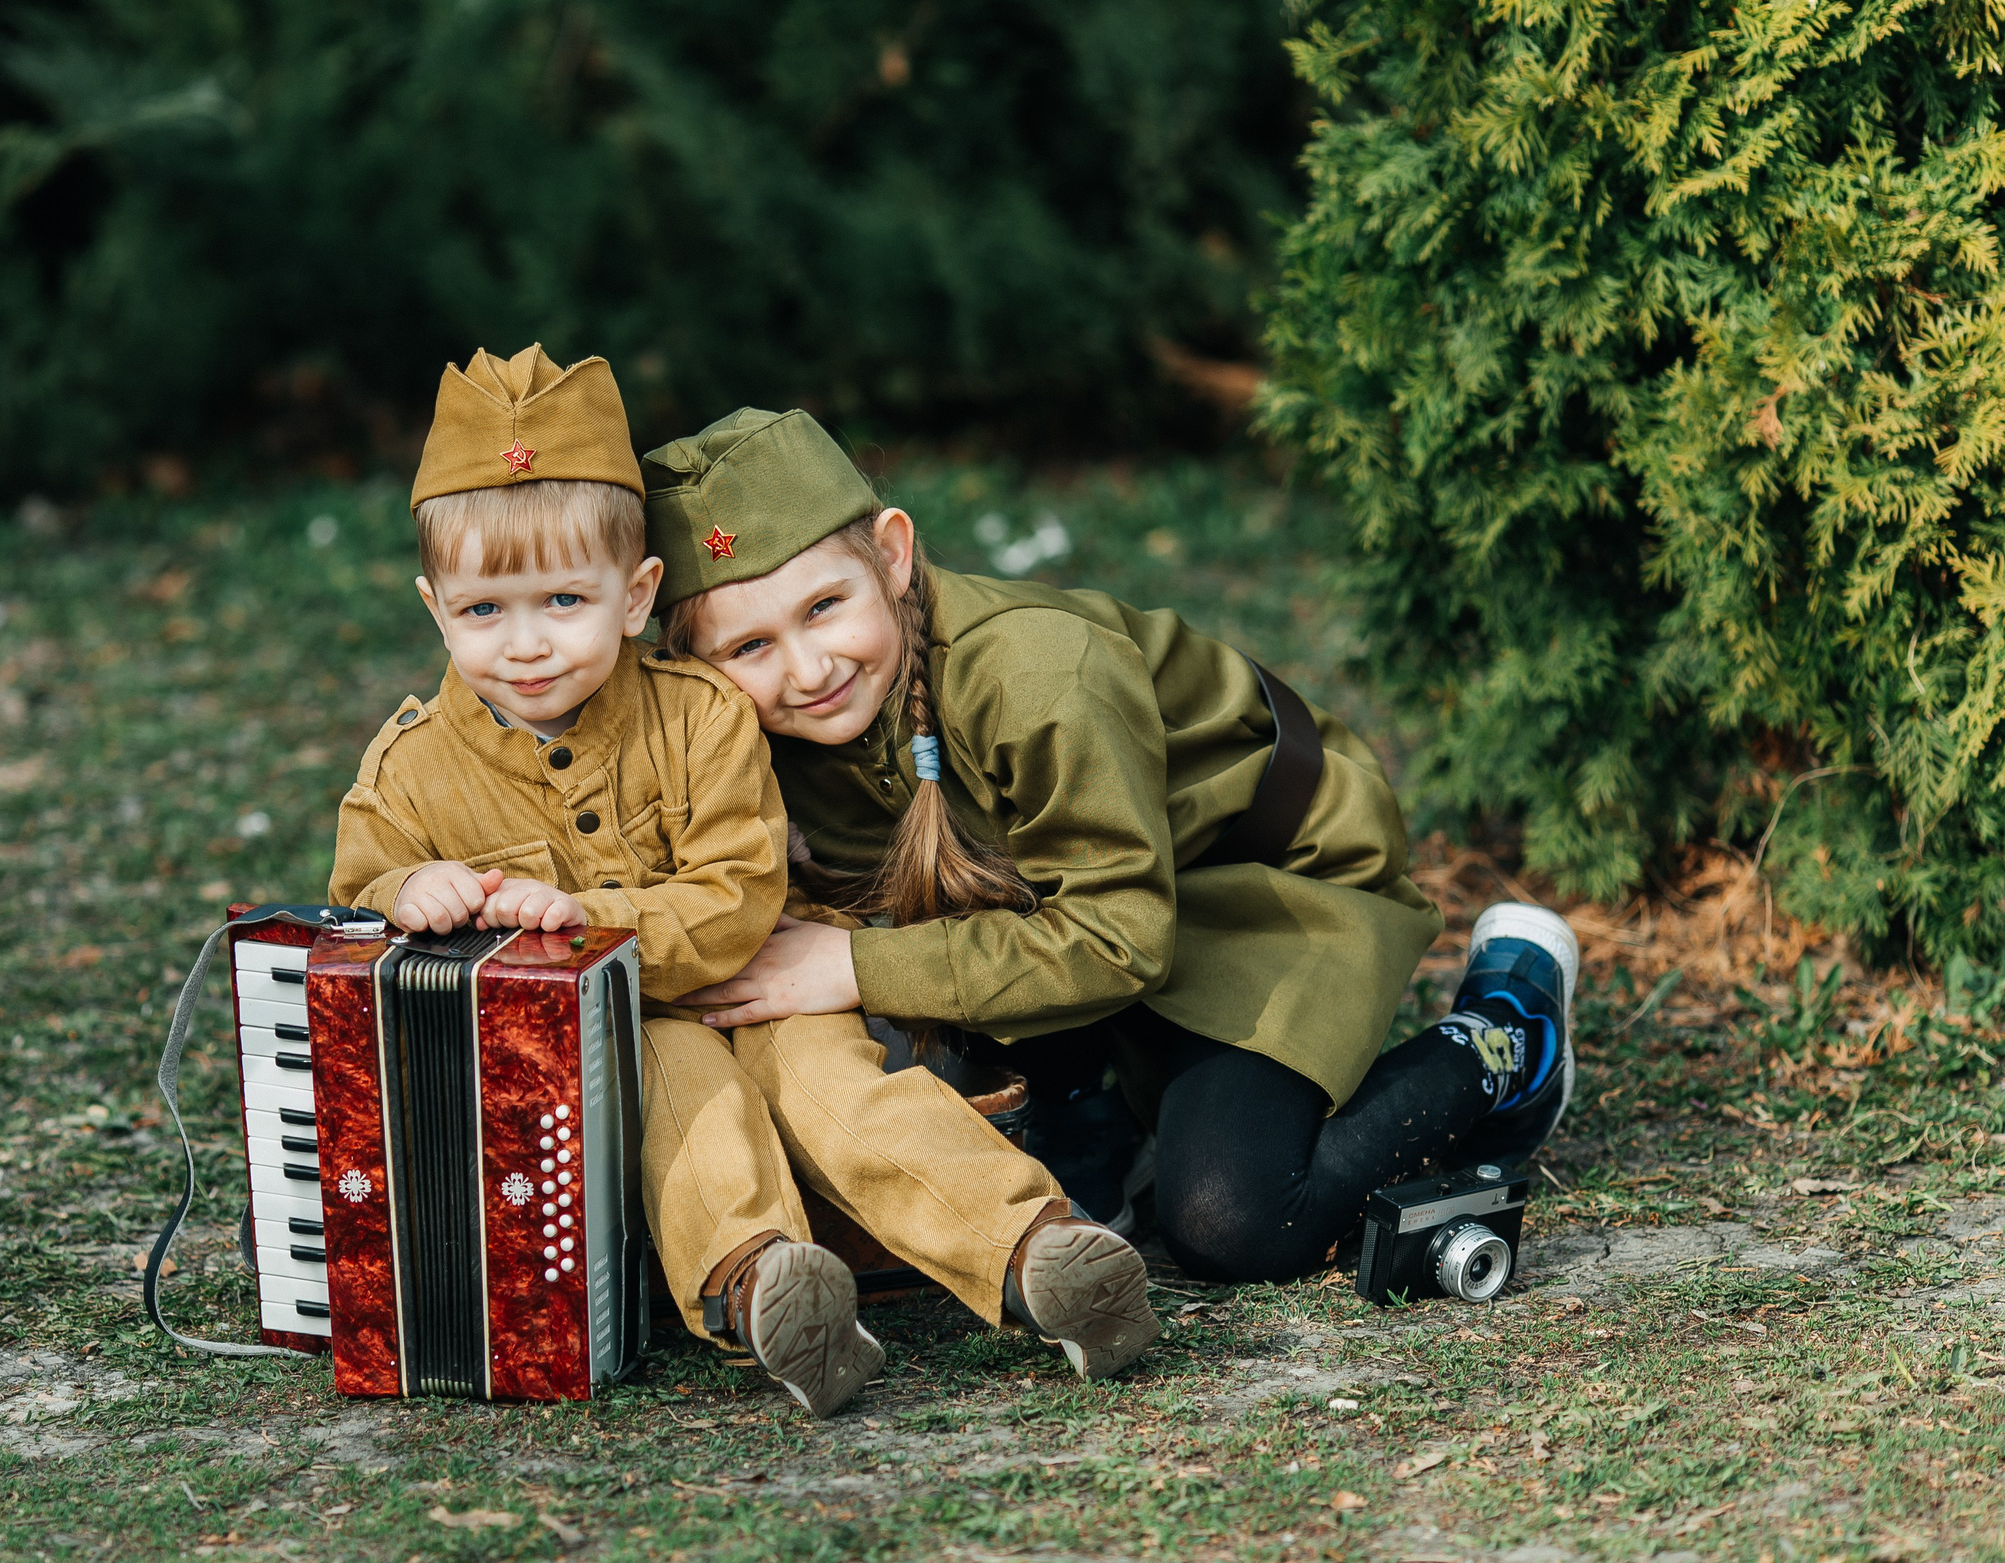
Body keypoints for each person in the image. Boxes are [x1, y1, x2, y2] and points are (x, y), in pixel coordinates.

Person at [328, 348, 1162, 1416]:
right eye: (485, 611)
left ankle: (1040, 1253)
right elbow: (353, 902)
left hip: (764, 972)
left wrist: (592, 918)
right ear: (435, 608)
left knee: (844, 1097)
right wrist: (405, 887)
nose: (527, 645)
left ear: (635, 598)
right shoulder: (409, 767)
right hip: (622, 1030)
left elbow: (736, 889)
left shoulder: (704, 711)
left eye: (564, 600)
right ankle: (771, 1286)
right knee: (689, 1114)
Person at [644, 408, 1580, 1285]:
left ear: (892, 555)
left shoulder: (1037, 672)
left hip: (1255, 885)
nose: (808, 669)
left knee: (1232, 1217)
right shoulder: (753, 732)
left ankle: (1505, 1034)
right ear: (691, 666)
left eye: (822, 607)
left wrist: (856, 963)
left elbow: (1120, 935)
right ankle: (1095, 1096)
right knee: (1018, 1149)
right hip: (1069, 909)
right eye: (748, 647)